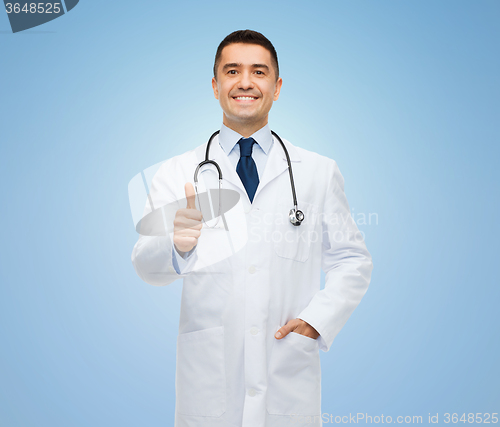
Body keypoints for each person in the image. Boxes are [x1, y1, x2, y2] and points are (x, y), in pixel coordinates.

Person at [131, 29, 373, 427]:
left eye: (258, 72)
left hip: (286, 376)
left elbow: (352, 259)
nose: (245, 82)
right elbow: (144, 264)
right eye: (232, 71)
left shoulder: (316, 171)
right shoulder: (178, 171)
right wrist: (176, 246)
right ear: (215, 86)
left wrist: (318, 319)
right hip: (209, 383)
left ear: (276, 88)